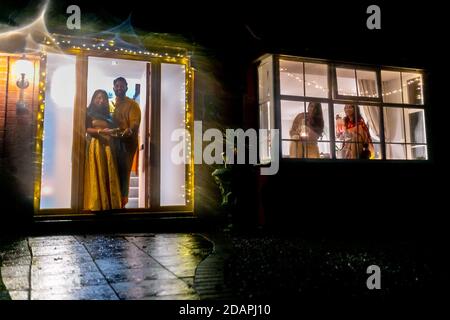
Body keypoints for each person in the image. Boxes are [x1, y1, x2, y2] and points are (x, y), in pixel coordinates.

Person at [84, 89, 121, 211]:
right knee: (98, 171)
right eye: (98, 98)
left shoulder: (109, 116)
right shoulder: (88, 113)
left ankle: (109, 204)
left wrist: (115, 132)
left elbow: (113, 130)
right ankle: (98, 204)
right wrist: (100, 131)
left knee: (108, 171)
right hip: (96, 145)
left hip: (108, 146)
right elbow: (87, 129)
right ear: (94, 99)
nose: (101, 100)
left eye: (104, 99)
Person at [110, 77, 141, 208]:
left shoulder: (132, 104)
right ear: (113, 88)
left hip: (126, 143)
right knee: (111, 170)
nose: (119, 88)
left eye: (122, 86)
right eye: (117, 86)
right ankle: (112, 200)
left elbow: (135, 123)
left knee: (124, 172)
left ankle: (122, 203)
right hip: (112, 142)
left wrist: (130, 130)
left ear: (127, 88)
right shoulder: (111, 103)